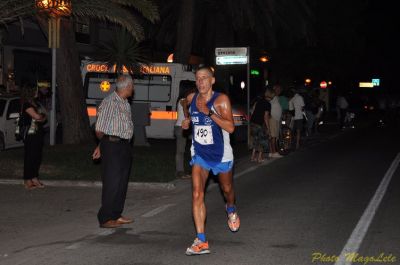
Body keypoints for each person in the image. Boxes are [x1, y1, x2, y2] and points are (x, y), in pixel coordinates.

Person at [182, 66, 239, 255]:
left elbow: (231, 128)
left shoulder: (221, 100)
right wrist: (187, 121)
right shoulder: (192, 99)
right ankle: (201, 240)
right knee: (197, 194)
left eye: (204, 78)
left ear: (212, 80)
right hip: (200, 154)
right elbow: (186, 107)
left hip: (221, 154)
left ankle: (231, 209)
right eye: (198, 79)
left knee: (227, 189)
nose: (200, 82)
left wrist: (208, 113)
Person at [92, 75, 134, 229]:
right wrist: (102, 145)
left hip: (124, 146)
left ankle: (116, 214)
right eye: (132, 86)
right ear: (127, 86)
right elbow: (99, 129)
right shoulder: (110, 102)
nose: (133, 88)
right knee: (112, 182)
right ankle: (105, 217)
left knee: (122, 182)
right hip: (112, 146)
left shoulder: (124, 103)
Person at [21, 85, 47, 190]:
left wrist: (41, 117)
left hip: (38, 133)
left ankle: (34, 177)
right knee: (30, 157)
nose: (37, 92)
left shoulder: (35, 104)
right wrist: (40, 117)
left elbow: (44, 117)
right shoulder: (27, 105)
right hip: (30, 134)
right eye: (35, 90)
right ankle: (27, 179)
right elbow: (37, 117)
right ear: (30, 92)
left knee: (37, 156)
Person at [174, 88, 193, 179]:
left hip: (185, 128)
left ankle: (193, 169)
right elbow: (185, 111)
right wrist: (187, 117)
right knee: (180, 151)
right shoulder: (183, 100)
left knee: (193, 148)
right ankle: (179, 171)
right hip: (181, 127)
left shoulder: (185, 101)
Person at [250, 89, 271, 162]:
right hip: (259, 123)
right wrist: (268, 128)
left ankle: (252, 157)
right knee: (262, 140)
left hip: (253, 122)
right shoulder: (267, 104)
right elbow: (266, 117)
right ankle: (259, 158)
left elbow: (252, 111)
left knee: (255, 140)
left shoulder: (258, 101)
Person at [266, 88, 282, 158]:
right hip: (273, 118)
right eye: (276, 91)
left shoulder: (275, 98)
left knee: (272, 136)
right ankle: (274, 152)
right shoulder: (271, 99)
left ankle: (271, 152)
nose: (278, 91)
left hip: (275, 118)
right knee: (273, 136)